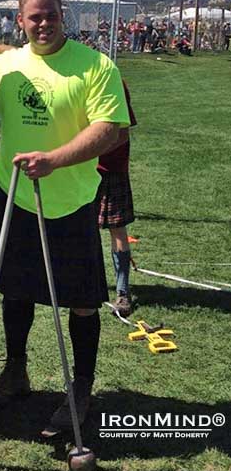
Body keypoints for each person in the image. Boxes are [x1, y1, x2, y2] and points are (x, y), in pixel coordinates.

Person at [0, 0, 130, 436]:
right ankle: (16, 372)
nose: (44, 24)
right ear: (20, 21)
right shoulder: (5, 66)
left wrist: (55, 160)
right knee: (13, 288)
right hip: (14, 193)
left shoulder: (96, 66)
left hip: (71, 200)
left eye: (51, 15)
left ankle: (80, 387)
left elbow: (111, 130)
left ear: (63, 15)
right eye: (34, 17)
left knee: (83, 300)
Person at [96, 81, 137, 317]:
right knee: (79, 228)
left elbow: (122, 134)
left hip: (111, 169)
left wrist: (88, 150)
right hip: (81, 171)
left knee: (118, 229)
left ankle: (122, 292)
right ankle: (83, 283)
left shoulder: (114, 84)